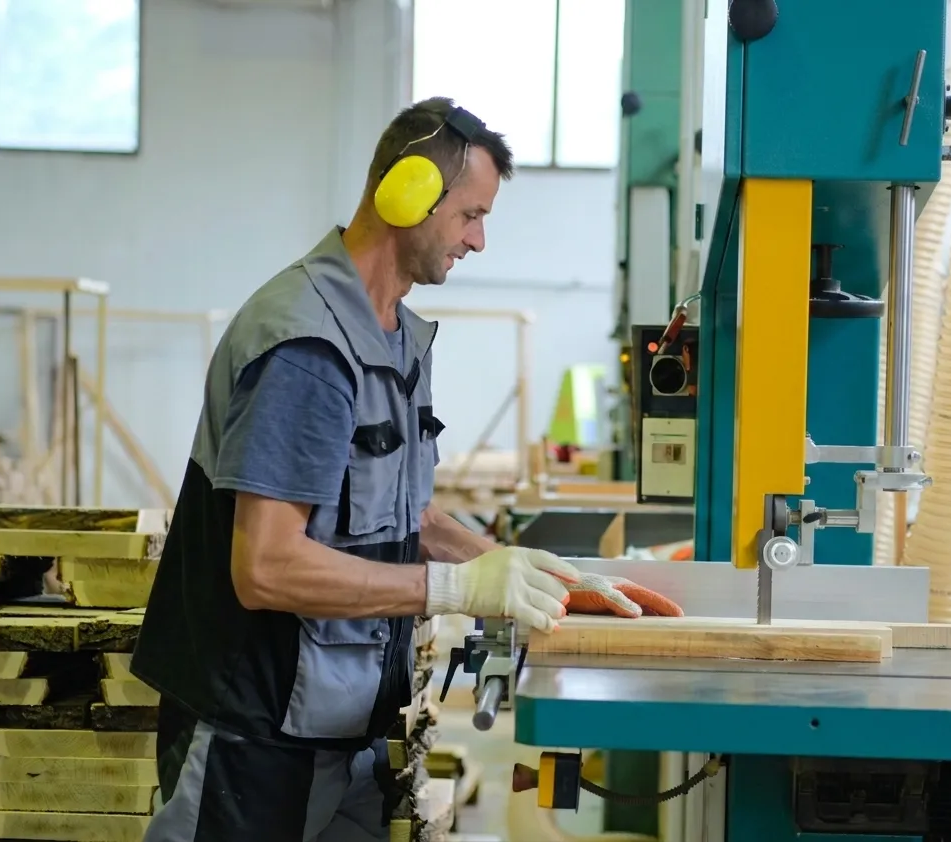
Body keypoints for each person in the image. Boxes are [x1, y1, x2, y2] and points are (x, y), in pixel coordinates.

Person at [129, 97, 679, 842]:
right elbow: (264, 567)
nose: (479, 241)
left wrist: (519, 571)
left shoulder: (388, 338)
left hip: (340, 732)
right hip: (252, 741)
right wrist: (452, 588)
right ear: (408, 194)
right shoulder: (307, 346)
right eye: (470, 215)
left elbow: (399, 516)